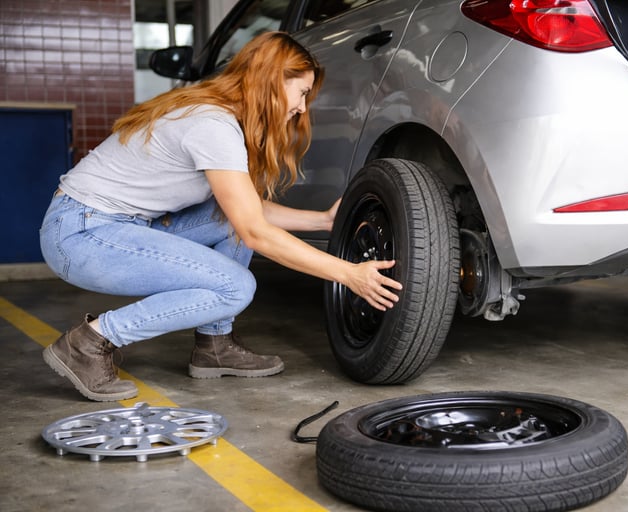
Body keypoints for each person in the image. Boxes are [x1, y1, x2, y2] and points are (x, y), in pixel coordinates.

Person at [39, 31, 402, 402]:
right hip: (81, 234)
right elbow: (256, 231)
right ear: (273, 82)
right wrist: (348, 274)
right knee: (236, 287)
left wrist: (323, 220)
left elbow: (244, 210)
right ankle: (90, 342)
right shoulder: (213, 126)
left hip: (114, 225)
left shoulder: (219, 116)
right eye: (302, 92)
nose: (302, 108)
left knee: (231, 223)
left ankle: (214, 345)